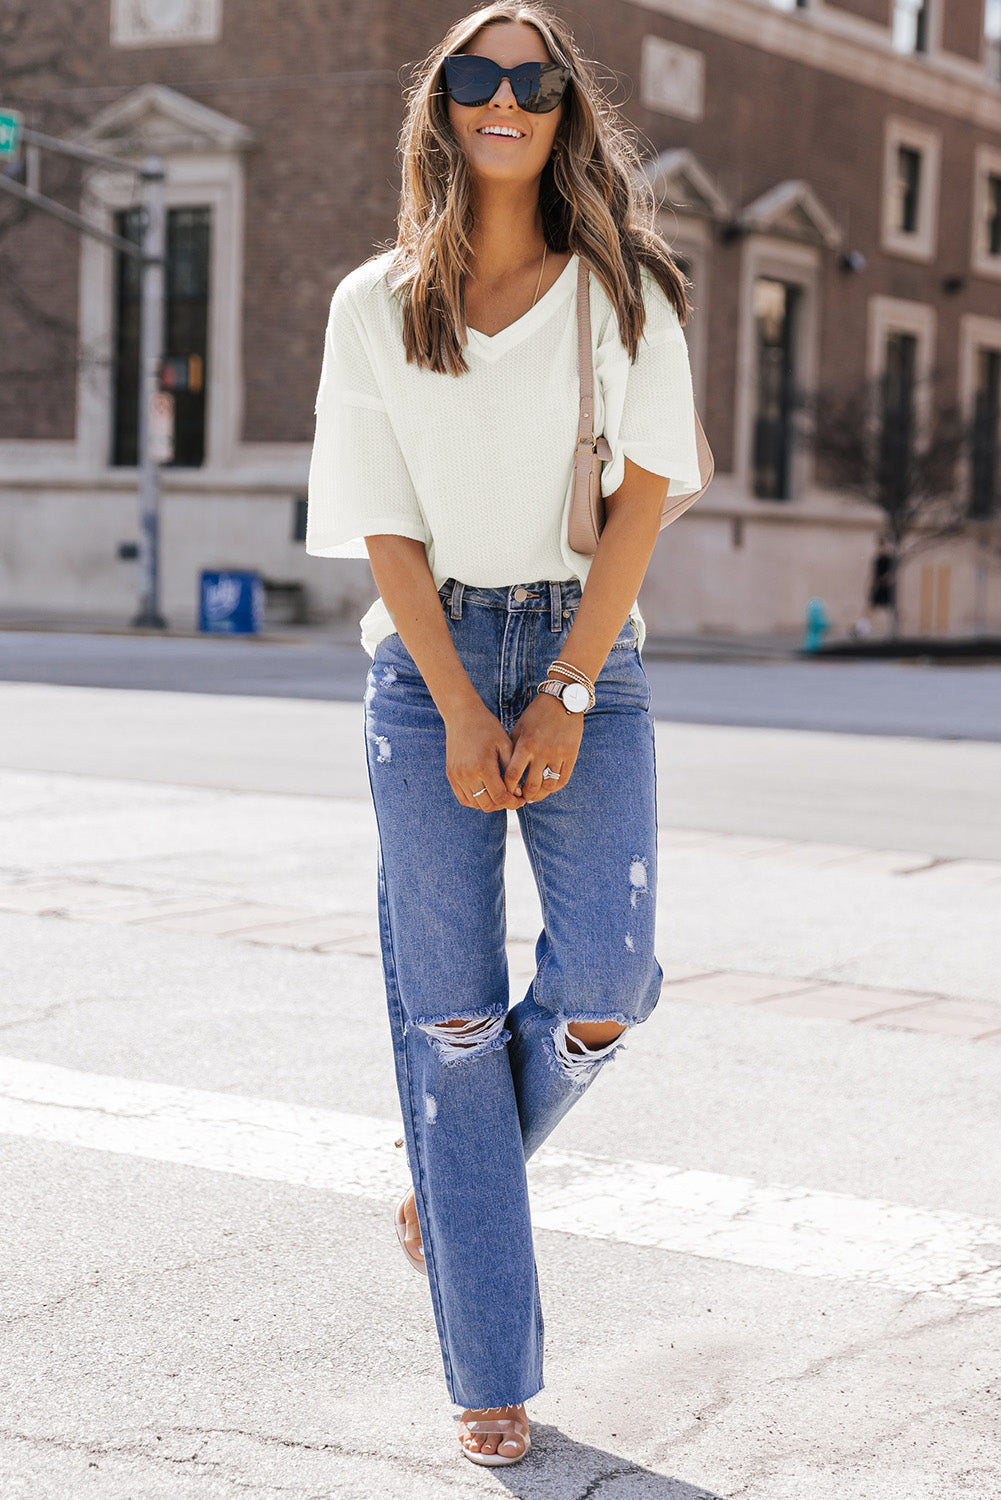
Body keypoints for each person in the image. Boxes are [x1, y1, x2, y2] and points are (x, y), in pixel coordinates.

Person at [306, 1, 703, 1468]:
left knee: (606, 976)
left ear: (562, 111)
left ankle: (452, 1177)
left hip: (587, 649)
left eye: (532, 80)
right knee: (454, 1022)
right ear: (442, 105)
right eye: (476, 75)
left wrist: (569, 688)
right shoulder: (373, 302)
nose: (504, 97)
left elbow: (646, 496)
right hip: (426, 674)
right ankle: (489, 1366)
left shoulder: (626, 289)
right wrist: (467, 705)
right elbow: (379, 525)